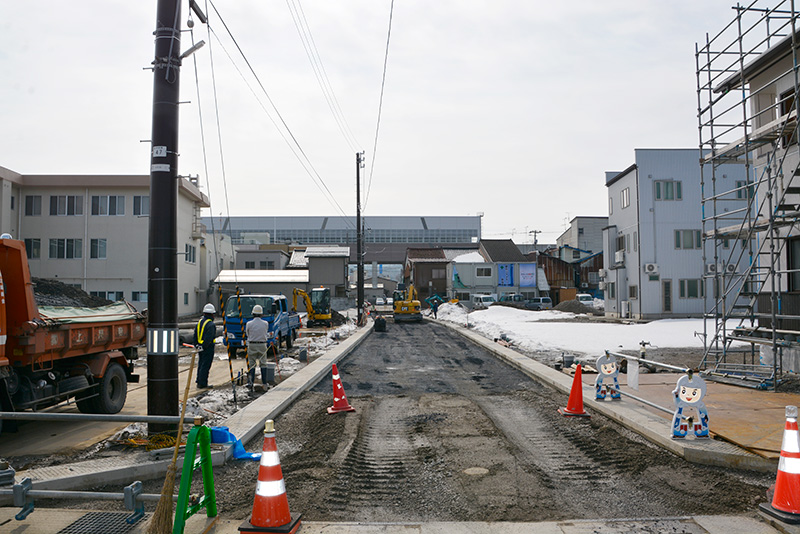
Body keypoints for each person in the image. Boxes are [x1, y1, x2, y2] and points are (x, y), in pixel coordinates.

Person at [245, 304, 271, 389]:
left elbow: (247, 334)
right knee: (263, 363)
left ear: (253, 313)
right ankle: (264, 383)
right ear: (261, 314)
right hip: (262, 344)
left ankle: (251, 383)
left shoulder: (249, 324)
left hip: (252, 344)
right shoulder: (265, 323)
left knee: (252, 364)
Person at [194, 303, 217, 389]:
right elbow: (209, 338)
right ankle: (203, 383)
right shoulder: (211, 325)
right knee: (205, 365)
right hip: (208, 348)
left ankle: (199, 380)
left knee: (201, 364)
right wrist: (204, 346)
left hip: (200, 347)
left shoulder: (199, 322)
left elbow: (195, 335)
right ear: (212, 314)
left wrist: (197, 345)